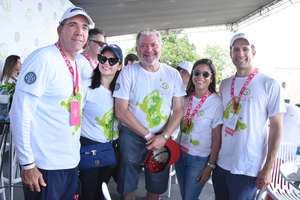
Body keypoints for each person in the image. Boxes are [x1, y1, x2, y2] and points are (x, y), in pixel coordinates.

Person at [9, 6, 94, 200]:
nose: (79, 32)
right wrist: (28, 164)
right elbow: (20, 112)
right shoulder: (43, 59)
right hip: (44, 166)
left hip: (69, 162)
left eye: (84, 27)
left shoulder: (77, 62)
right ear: (59, 30)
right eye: (72, 25)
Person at [113, 29, 186, 200]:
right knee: (128, 177)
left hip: (162, 135)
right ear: (137, 49)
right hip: (131, 134)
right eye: (143, 46)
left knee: (157, 179)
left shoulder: (173, 74)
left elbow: (178, 110)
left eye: (153, 45)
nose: (149, 49)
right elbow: (121, 111)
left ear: (161, 47)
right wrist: (148, 134)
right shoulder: (128, 72)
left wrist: (164, 136)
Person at [212, 33, 285, 200]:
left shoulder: (270, 84)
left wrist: (268, 168)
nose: (240, 54)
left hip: (248, 168)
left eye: (245, 49)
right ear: (230, 53)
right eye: (236, 49)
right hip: (222, 163)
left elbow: (277, 129)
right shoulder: (224, 84)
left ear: (253, 51)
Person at [79, 44, 123, 200]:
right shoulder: (86, 86)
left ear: (119, 66)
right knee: (89, 192)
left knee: (102, 190)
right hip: (89, 146)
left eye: (112, 61)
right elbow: (73, 118)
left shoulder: (122, 90)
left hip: (112, 147)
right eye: (103, 58)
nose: (106, 63)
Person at [175, 58, 222, 200]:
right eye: (197, 73)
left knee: (189, 197)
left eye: (205, 74)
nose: (200, 77)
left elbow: (216, 139)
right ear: (192, 75)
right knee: (185, 196)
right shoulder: (185, 98)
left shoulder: (216, 102)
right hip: (180, 155)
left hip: (199, 159)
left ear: (211, 78)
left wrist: (210, 166)